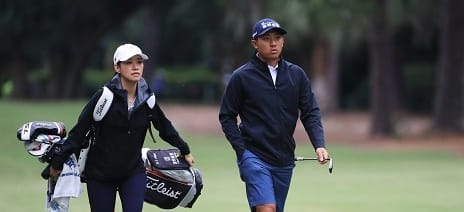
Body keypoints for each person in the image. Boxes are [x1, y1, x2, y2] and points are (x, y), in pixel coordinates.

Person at [49, 43, 195, 212]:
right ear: (117, 67)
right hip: (100, 175)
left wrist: (184, 149)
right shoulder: (104, 97)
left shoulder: (147, 98)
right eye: (128, 62)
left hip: (133, 172)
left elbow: (164, 127)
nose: (135, 67)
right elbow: (79, 132)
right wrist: (57, 162)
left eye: (139, 62)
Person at [219, 18, 330, 212]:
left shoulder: (297, 75)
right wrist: (242, 151)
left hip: (284, 159)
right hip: (253, 156)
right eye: (266, 38)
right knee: (266, 208)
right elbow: (227, 116)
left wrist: (319, 144)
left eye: (277, 38)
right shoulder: (241, 77)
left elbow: (310, 112)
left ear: (283, 41)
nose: (273, 43)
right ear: (254, 43)